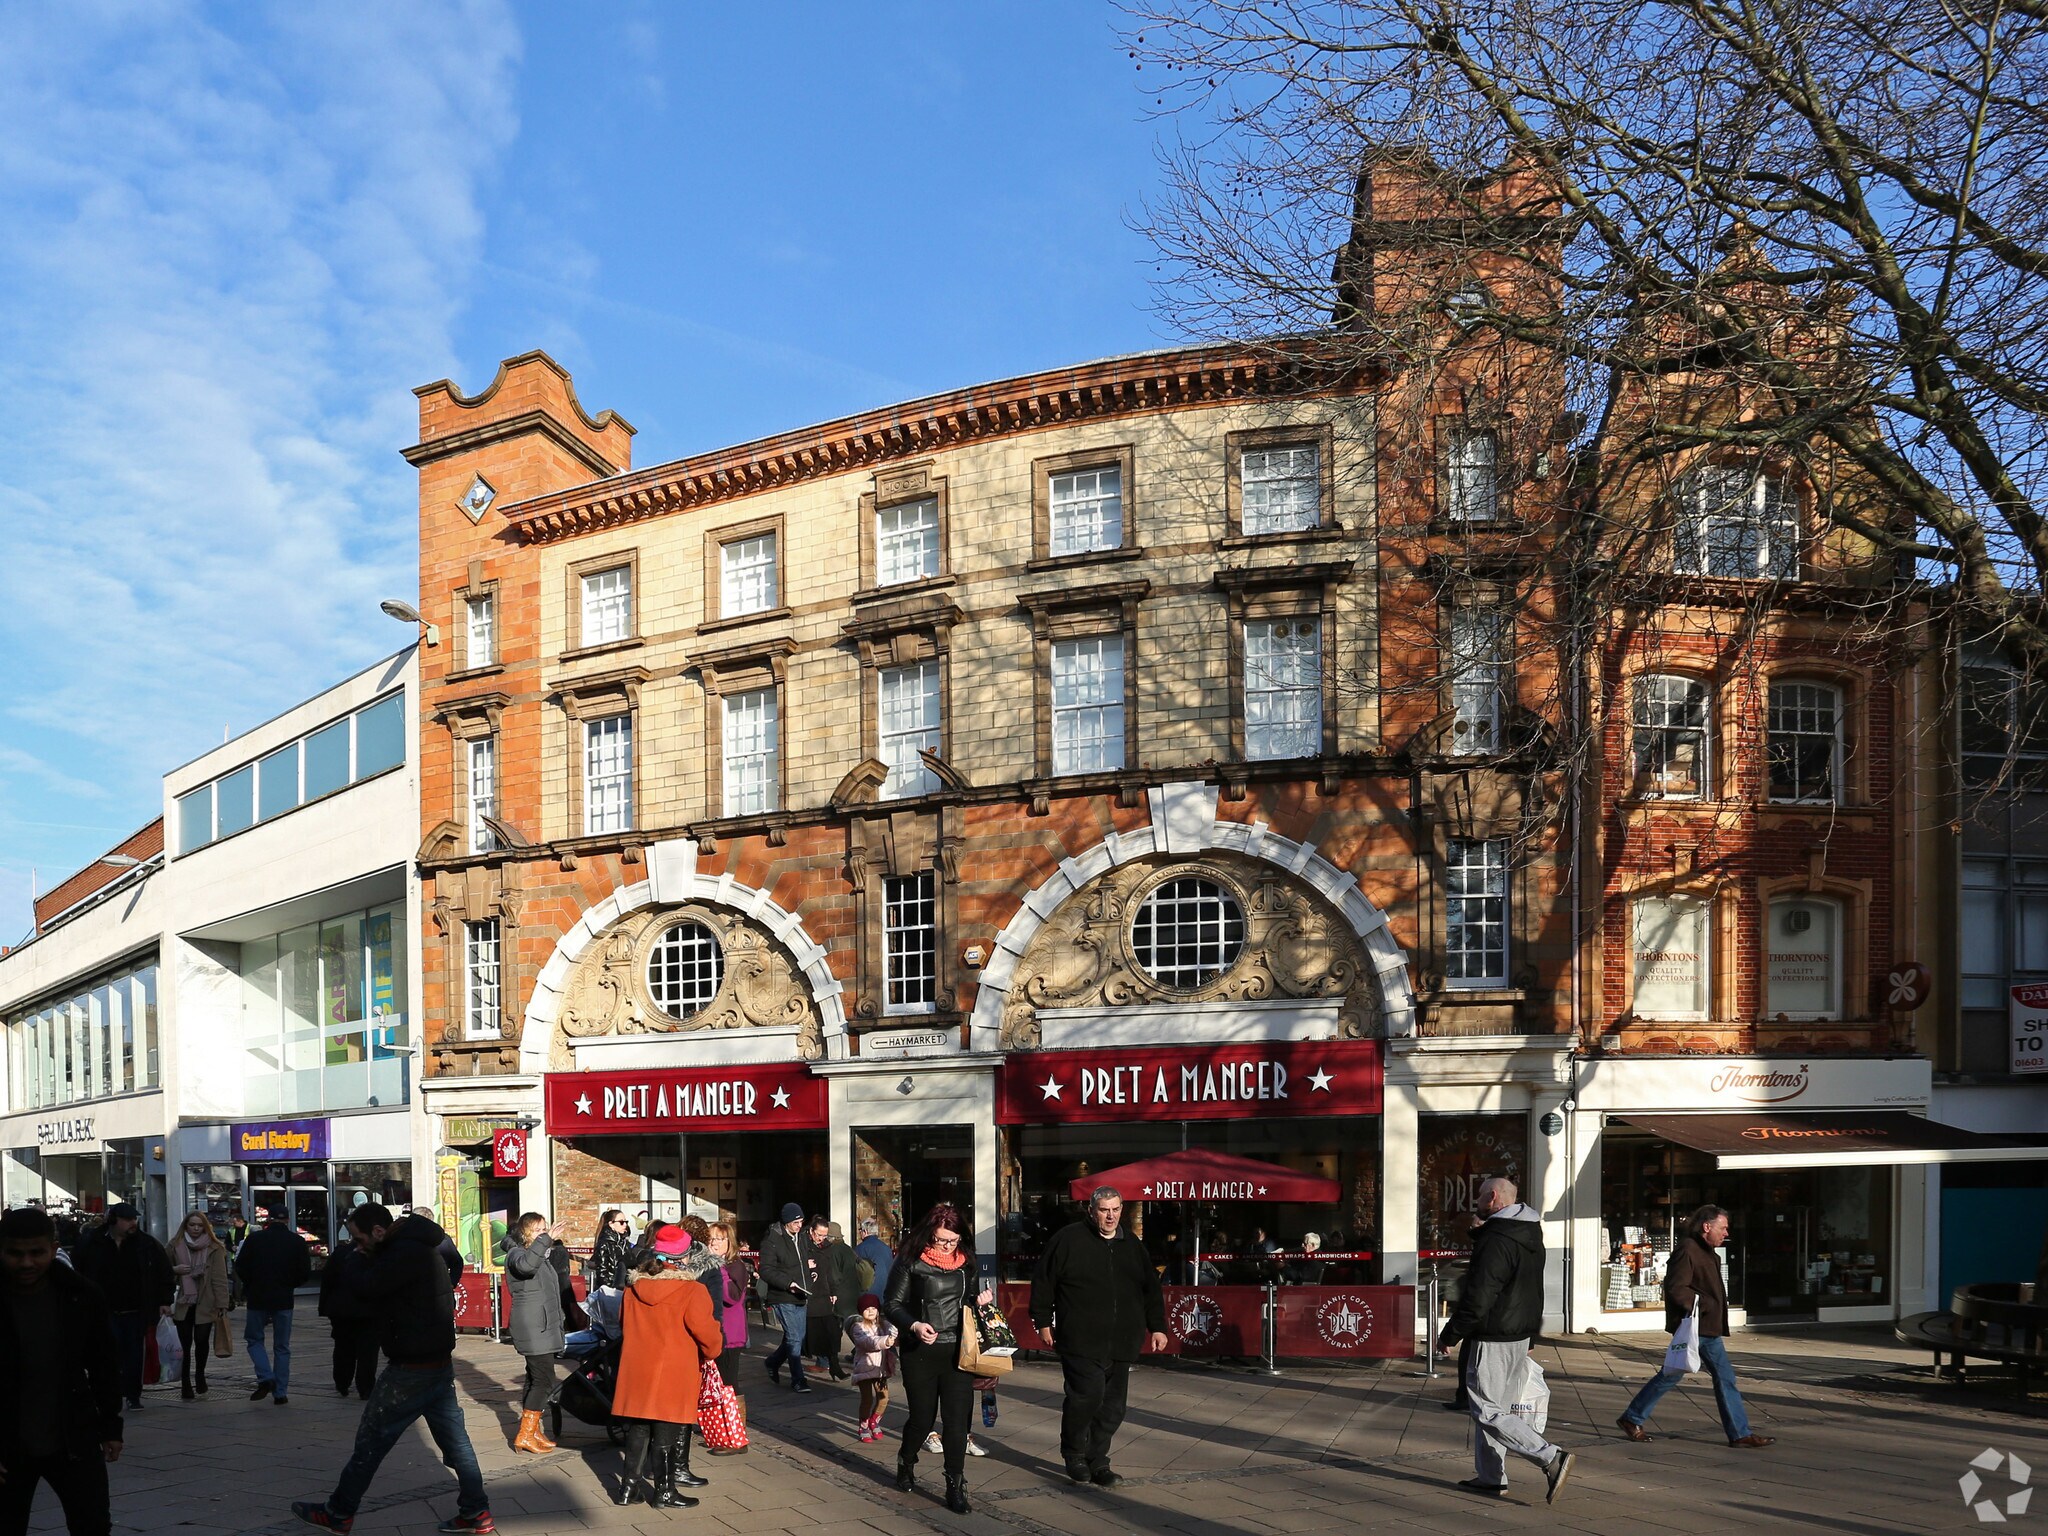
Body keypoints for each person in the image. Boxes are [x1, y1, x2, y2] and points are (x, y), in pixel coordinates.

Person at [292, 1204, 492, 1534]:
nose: (357, 1244)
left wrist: (355, 1257)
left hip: (411, 1369)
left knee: (370, 1441)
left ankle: (339, 1512)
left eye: (359, 1238)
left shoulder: (404, 1254)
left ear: (379, 1232)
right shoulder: (420, 1247)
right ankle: (476, 1510)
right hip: (437, 1363)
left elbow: (365, 1287)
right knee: (457, 1444)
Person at [1437, 1177, 1574, 1503]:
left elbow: (1481, 1293)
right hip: (1518, 1332)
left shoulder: (1497, 1238)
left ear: (1493, 1197)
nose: (1478, 1200)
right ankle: (1491, 1478)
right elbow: (1524, 1284)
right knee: (1498, 1407)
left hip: (1493, 1333)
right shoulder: (1526, 1232)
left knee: (1486, 1409)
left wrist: (1451, 1334)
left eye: (1481, 1195)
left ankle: (1550, 1456)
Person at [1030, 1187, 1166, 1489]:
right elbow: (1044, 1281)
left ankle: (1098, 1460)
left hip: (1121, 1340)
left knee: (1113, 1408)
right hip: (1080, 1338)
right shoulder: (1068, 1239)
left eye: (1116, 1209)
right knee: (1087, 1396)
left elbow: (1150, 1289)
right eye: (1104, 1209)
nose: (1110, 1215)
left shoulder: (1131, 1244)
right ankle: (1074, 1454)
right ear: (1091, 1211)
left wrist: (1157, 1326)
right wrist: (1042, 1321)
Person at [0, 1208, 123, 1536]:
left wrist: (111, 1424)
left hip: (73, 1436)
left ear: (54, 1249)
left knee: (92, 1525)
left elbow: (104, 1363)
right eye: (15, 1253)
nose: (26, 1263)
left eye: (36, 1253)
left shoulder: (80, 1295)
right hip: (8, 1442)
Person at [1616, 1204, 1775, 1450]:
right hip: (1696, 1328)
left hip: (1705, 1328)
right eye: (1723, 1228)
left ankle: (1633, 1417)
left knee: (1686, 1375)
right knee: (1708, 1377)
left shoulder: (1707, 1251)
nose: (1726, 1233)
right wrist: (1704, 1307)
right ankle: (1738, 1433)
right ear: (1706, 1226)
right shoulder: (1688, 1250)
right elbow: (1676, 1287)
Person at [882, 1202, 993, 1515]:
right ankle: (906, 1460)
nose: (946, 1246)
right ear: (929, 1234)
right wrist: (914, 1325)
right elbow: (891, 1304)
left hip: (958, 1351)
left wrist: (980, 1302)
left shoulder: (965, 1261)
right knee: (922, 1419)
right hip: (921, 1352)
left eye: (953, 1241)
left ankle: (955, 1485)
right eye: (941, 1240)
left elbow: (968, 1301)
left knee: (957, 1423)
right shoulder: (910, 1261)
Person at [610, 1227, 723, 1508]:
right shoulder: (691, 1290)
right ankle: (664, 1491)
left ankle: (628, 1489)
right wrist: (711, 1352)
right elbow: (709, 1337)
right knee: (666, 1435)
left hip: (637, 1369)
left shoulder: (633, 1289)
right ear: (684, 1258)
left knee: (638, 1428)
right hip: (674, 1370)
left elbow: (623, 1324)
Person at [70, 1202, 172, 1412]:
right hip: (103, 1311)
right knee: (107, 1355)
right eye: (127, 1219)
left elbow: (163, 1272)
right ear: (114, 1221)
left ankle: (133, 1395)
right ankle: (109, 1393)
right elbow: (78, 1271)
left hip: (136, 1310)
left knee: (134, 1355)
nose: (133, 1223)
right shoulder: (92, 1242)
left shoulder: (146, 1244)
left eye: (134, 1219)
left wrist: (164, 1301)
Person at [502, 1214, 566, 1454]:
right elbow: (526, 1267)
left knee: (534, 1377)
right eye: (537, 1229)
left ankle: (533, 1431)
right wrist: (547, 1239)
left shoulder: (540, 1254)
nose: (543, 1232)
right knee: (544, 1379)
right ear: (525, 1233)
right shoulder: (516, 1254)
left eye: (545, 1228)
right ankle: (525, 1433)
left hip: (543, 1324)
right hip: (532, 1326)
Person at [235, 1207, 312, 1406]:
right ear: (287, 1220)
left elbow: (240, 1266)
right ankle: (280, 1392)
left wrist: (251, 1285)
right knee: (282, 1346)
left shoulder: (255, 1239)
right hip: (283, 1299)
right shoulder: (297, 1242)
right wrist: (289, 1285)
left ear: (268, 1220)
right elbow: (304, 1272)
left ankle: (265, 1375)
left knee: (254, 1339)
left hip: (258, 1297)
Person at [167, 1211, 230, 1401]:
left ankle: (200, 1375)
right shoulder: (174, 1246)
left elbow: (220, 1278)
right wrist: (174, 1270)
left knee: (201, 1342)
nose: (195, 1228)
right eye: (192, 1225)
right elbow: (160, 1272)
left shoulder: (214, 1248)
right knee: (184, 1345)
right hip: (183, 1302)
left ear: (205, 1227)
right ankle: (185, 1382)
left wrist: (222, 1304)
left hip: (206, 1301)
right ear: (185, 1226)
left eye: (199, 1225)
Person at [318, 1216, 379, 1399]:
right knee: (366, 1351)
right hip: (366, 1311)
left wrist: (326, 1307)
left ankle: (342, 1382)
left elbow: (327, 1280)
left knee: (344, 1348)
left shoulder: (341, 1252)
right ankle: (365, 1387)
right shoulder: (373, 1254)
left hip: (343, 1310)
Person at [759, 1202, 811, 1393]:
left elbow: (802, 1262)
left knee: (797, 1336)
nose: (799, 1225)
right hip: (782, 1295)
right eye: (796, 1222)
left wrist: (810, 1272)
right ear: (787, 1221)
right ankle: (798, 1379)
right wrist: (787, 1283)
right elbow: (765, 1269)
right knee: (795, 1336)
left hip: (802, 1293)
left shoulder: (801, 1238)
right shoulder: (772, 1240)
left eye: (801, 1221)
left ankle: (772, 1362)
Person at [804, 1214, 856, 1382]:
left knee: (832, 1333)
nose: (822, 1238)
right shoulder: (803, 1245)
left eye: (825, 1235)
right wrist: (808, 1268)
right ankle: (778, 1364)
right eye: (819, 1234)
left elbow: (830, 1273)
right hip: (810, 1296)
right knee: (801, 1337)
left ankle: (835, 1367)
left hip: (824, 1296)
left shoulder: (827, 1248)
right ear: (811, 1231)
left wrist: (833, 1292)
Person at [846, 1293, 898, 1442]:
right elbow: (867, 1342)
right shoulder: (858, 1327)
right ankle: (863, 1424)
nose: (870, 1311)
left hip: (880, 1370)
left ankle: (874, 1421)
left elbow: (893, 1330)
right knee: (867, 1400)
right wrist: (885, 1341)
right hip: (865, 1369)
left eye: (873, 1308)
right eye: (866, 1308)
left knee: (884, 1398)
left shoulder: (883, 1324)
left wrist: (894, 1332)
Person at [705, 1223, 750, 1354]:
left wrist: (718, 1267)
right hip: (711, 1333)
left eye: (718, 1239)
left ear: (729, 1242)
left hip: (730, 1335)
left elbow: (731, 1297)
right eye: (711, 1238)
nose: (713, 1243)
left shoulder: (736, 1266)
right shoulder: (706, 1265)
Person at [855, 1216, 894, 1295]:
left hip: (868, 1296)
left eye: (860, 1230)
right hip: (886, 1294)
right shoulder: (887, 1249)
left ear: (865, 1231)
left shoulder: (860, 1249)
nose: (860, 1233)